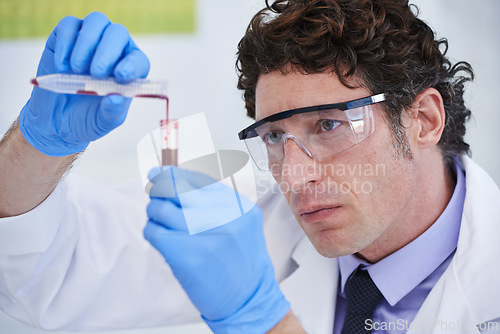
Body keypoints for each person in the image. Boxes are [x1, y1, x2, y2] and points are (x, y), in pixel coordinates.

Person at [0, 1, 499, 333]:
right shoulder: (251, 224)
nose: (294, 175)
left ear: (425, 119)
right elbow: (44, 274)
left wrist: (260, 319)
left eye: (329, 126)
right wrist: (39, 142)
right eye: (276, 137)